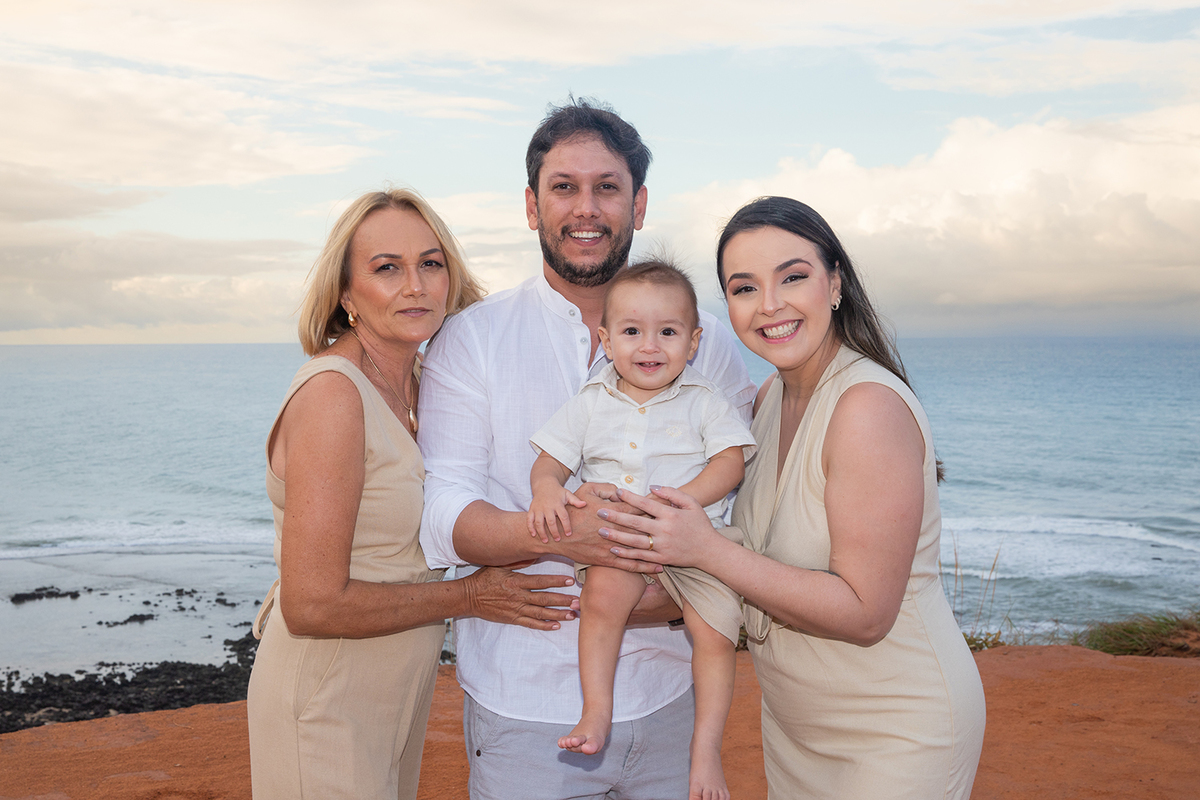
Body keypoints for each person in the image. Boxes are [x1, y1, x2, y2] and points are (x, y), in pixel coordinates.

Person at [418, 100, 757, 800]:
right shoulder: (472, 338)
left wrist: (657, 600)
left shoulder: (710, 343)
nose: (586, 208)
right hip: (522, 708)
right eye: (564, 187)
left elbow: (740, 502)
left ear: (638, 205)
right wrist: (563, 533)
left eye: (607, 187)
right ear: (531, 206)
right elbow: (443, 513)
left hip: (672, 697)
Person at [598, 196, 988, 798]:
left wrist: (705, 550)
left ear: (835, 284)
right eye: (744, 288)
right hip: (794, 730)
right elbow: (750, 571)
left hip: (896, 730)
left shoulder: (866, 407)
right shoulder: (763, 403)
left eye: (793, 277)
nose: (770, 305)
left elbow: (865, 613)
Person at [246, 188, 578, 800]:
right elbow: (311, 604)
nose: (416, 286)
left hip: (397, 691)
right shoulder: (334, 395)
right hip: (324, 697)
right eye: (387, 268)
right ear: (346, 294)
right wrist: (471, 595)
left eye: (430, 263)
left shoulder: (425, 382)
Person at [527, 259, 756, 799]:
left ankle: (705, 750)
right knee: (602, 600)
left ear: (693, 342)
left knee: (713, 634)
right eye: (632, 331)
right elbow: (548, 463)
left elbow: (730, 463)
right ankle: (596, 711)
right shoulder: (590, 403)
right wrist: (546, 491)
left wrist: (683, 503)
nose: (649, 346)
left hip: (696, 545)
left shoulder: (704, 400)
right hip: (620, 542)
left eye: (668, 332)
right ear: (606, 341)